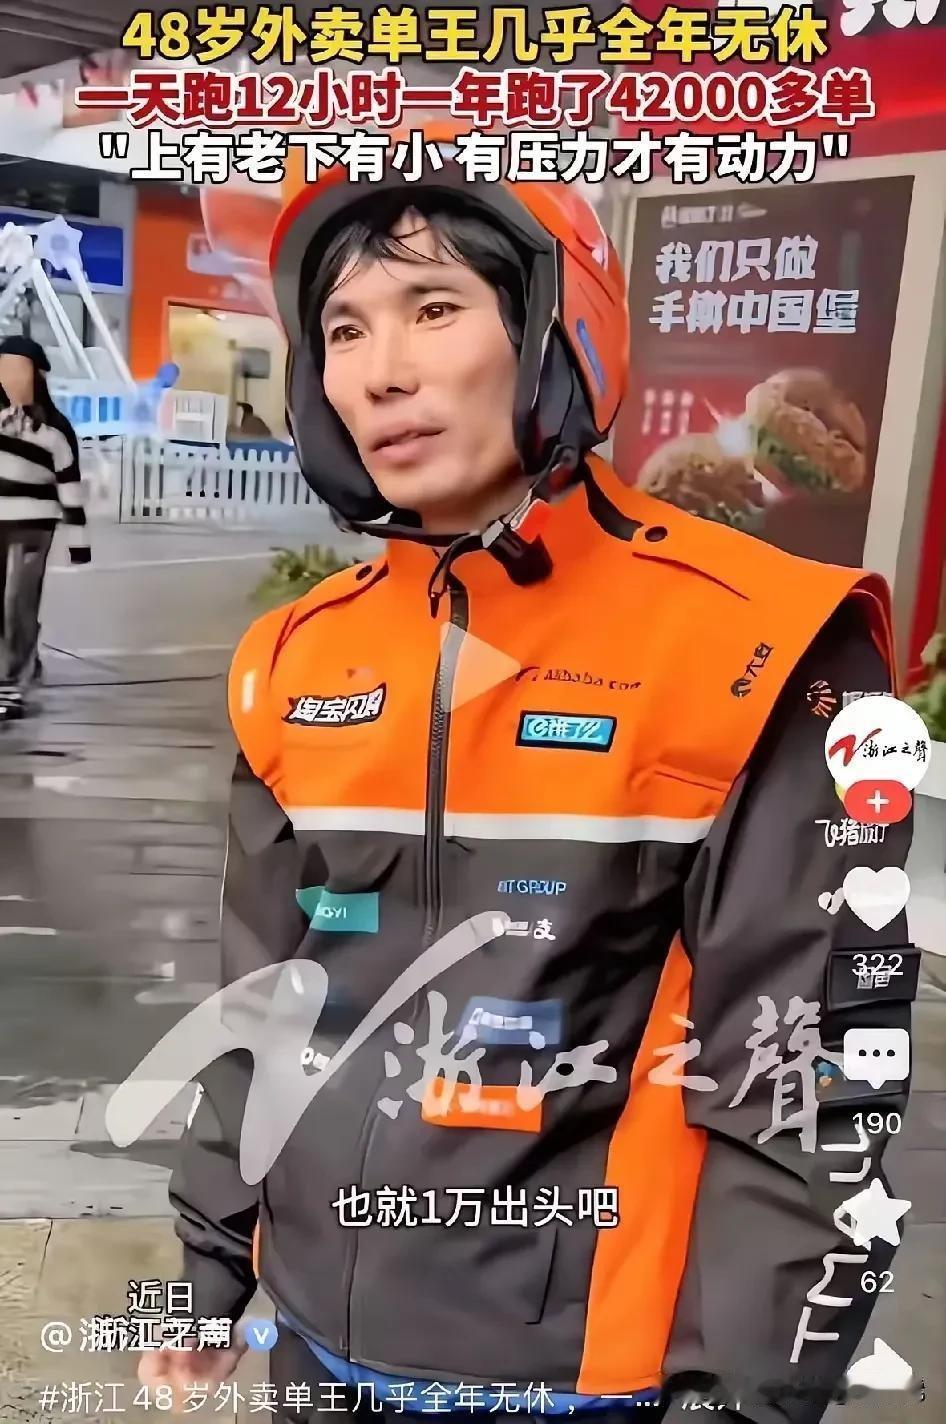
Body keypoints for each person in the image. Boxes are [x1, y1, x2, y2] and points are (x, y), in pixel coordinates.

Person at [143, 134, 914, 1423]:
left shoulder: (762, 643)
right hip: (317, 1345)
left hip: (585, 1377)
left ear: (556, 327)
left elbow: (812, 1063)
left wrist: (751, 1393)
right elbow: (262, 1005)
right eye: (343, 329)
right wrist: (208, 1271)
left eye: (433, 308)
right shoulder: (296, 656)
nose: (381, 370)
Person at [0, 334, 90, 719]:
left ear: (36, 375)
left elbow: (69, 484)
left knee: (17, 600)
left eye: (17, 369)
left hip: (33, 526)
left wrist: (79, 541)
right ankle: (15, 667)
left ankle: (10, 684)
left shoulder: (55, 428)